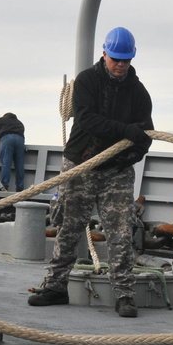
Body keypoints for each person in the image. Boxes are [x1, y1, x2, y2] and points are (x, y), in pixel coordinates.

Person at [27, 26, 153, 318]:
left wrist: (128, 155)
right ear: (104, 54)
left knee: (121, 232)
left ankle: (123, 294)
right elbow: (87, 119)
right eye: (116, 59)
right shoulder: (86, 81)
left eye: (126, 60)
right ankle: (56, 286)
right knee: (69, 226)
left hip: (117, 170)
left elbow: (145, 135)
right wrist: (125, 132)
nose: (121, 65)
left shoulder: (139, 93)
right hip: (82, 164)